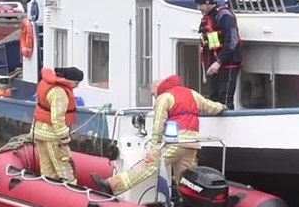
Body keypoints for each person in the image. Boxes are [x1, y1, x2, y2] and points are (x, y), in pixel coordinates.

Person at [93, 74, 225, 196]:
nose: (153, 96)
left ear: (158, 88)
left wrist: (154, 147)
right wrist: (222, 106)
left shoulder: (164, 98)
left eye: (152, 94)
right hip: (193, 144)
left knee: (147, 166)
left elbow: (158, 125)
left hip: (175, 143)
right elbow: (210, 106)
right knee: (186, 180)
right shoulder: (192, 93)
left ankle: (112, 185)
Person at [32, 67, 83, 181]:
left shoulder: (47, 83)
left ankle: (48, 190)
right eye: (76, 83)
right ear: (68, 79)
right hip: (52, 135)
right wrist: (64, 137)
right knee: (65, 167)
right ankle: (70, 191)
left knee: (47, 167)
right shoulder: (60, 92)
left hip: (40, 131)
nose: (76, 86)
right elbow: (57, 118)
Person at [195, 0, 242, 108]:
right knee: (214, 97)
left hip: (228, 63)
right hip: (216, 64)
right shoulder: (209, 17)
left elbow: (232, 41)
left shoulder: (224, 16)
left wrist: (219, 62)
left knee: (225, 98)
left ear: (207, 3)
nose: (198, 8)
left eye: (200, 5)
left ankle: (229, 124)